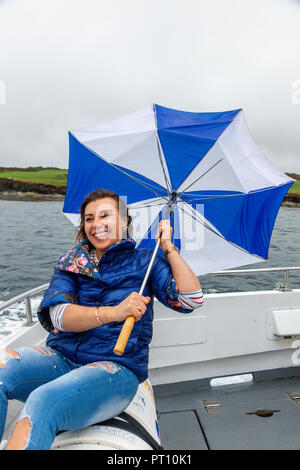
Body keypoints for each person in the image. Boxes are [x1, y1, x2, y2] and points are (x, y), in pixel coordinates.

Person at [0, 188, 203, 450]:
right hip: (62, 359)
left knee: (42, 401)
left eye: (105, 215)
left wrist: (167, 247)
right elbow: (59, 316)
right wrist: (115, 312)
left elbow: (190, 300)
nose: (96, 225)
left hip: (116, 369)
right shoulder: (72, 261)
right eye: (89, 218)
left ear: (124, 221)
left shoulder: (145, 261)